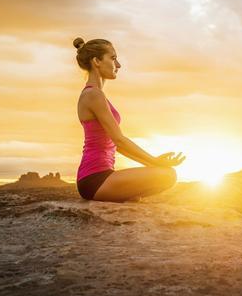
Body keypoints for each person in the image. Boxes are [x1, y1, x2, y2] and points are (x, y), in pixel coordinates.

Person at [73, 37, 186, 202]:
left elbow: (117, 146)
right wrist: (154, 162)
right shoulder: (93, 95)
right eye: (113, 58)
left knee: (164, 174)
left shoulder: (96, 94)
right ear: (96, 61)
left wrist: (154, 163)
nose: (118, 65)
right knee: (167, 175)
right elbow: (120, 141)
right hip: (95, 179)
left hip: (100, 177)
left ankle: (126, 197)